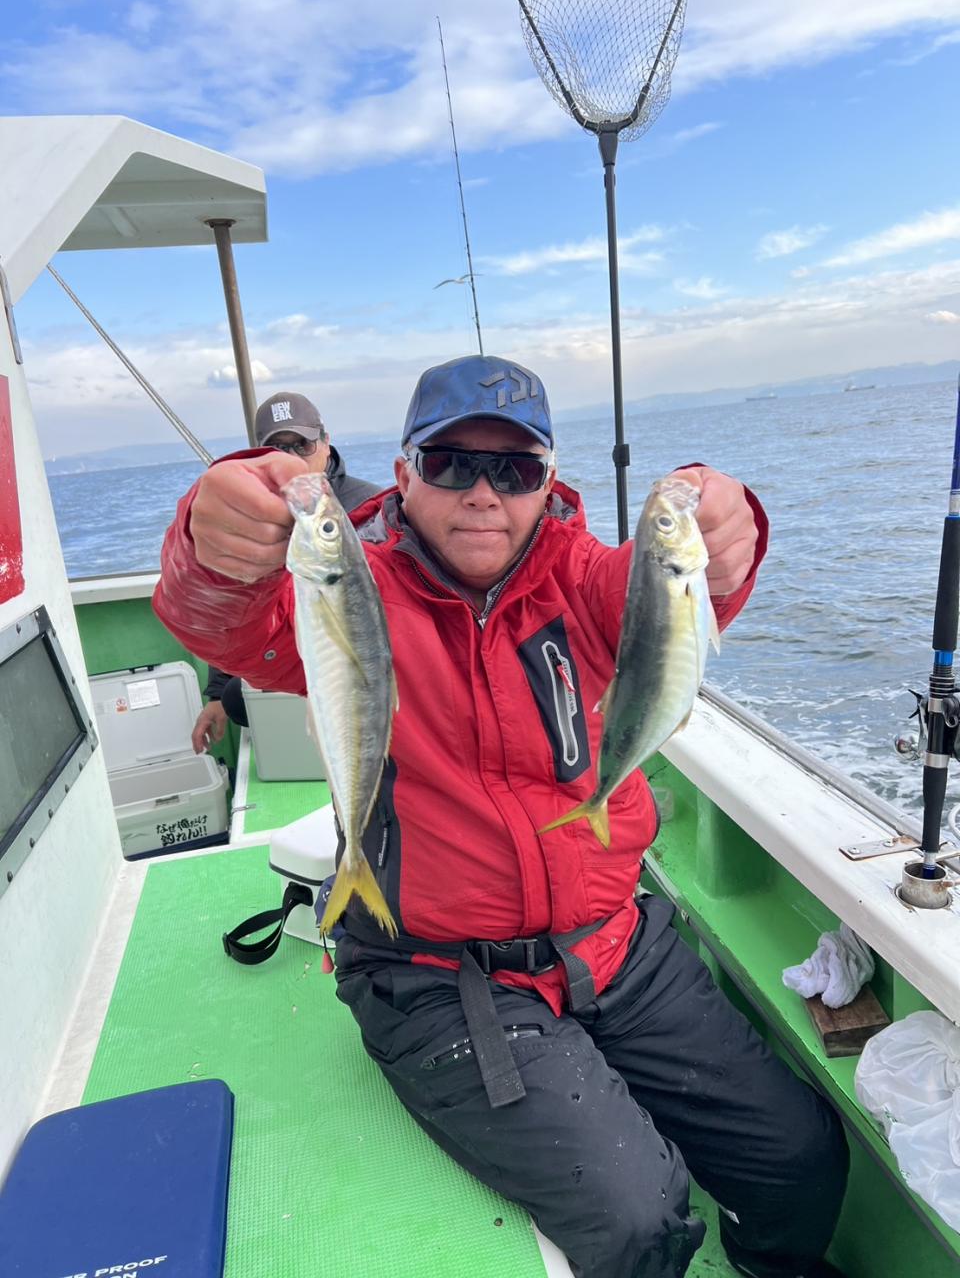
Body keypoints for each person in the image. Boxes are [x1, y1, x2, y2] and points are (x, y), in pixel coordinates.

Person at [155, 354, 848, 1278]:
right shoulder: (350, 588)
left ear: (548, 482)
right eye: (451, 464)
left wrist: (727, 526)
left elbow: (681, 592)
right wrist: (214, 543)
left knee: (801, 1158)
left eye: (514, 469)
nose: (484, 492)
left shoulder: (588, 580)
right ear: (403, 473)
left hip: (616, 945)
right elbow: (223, 620)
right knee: (639, 1219)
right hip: (438, 978)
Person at [190, 390, 382, 755]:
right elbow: (237, 604)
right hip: (285, 661)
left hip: (352, 665)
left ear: (325, 442)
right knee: (235, 699)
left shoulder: (369, 504)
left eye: (303, 445)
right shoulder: (252, 518)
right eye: (278, 448)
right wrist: (215, 694)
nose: (293, 459)